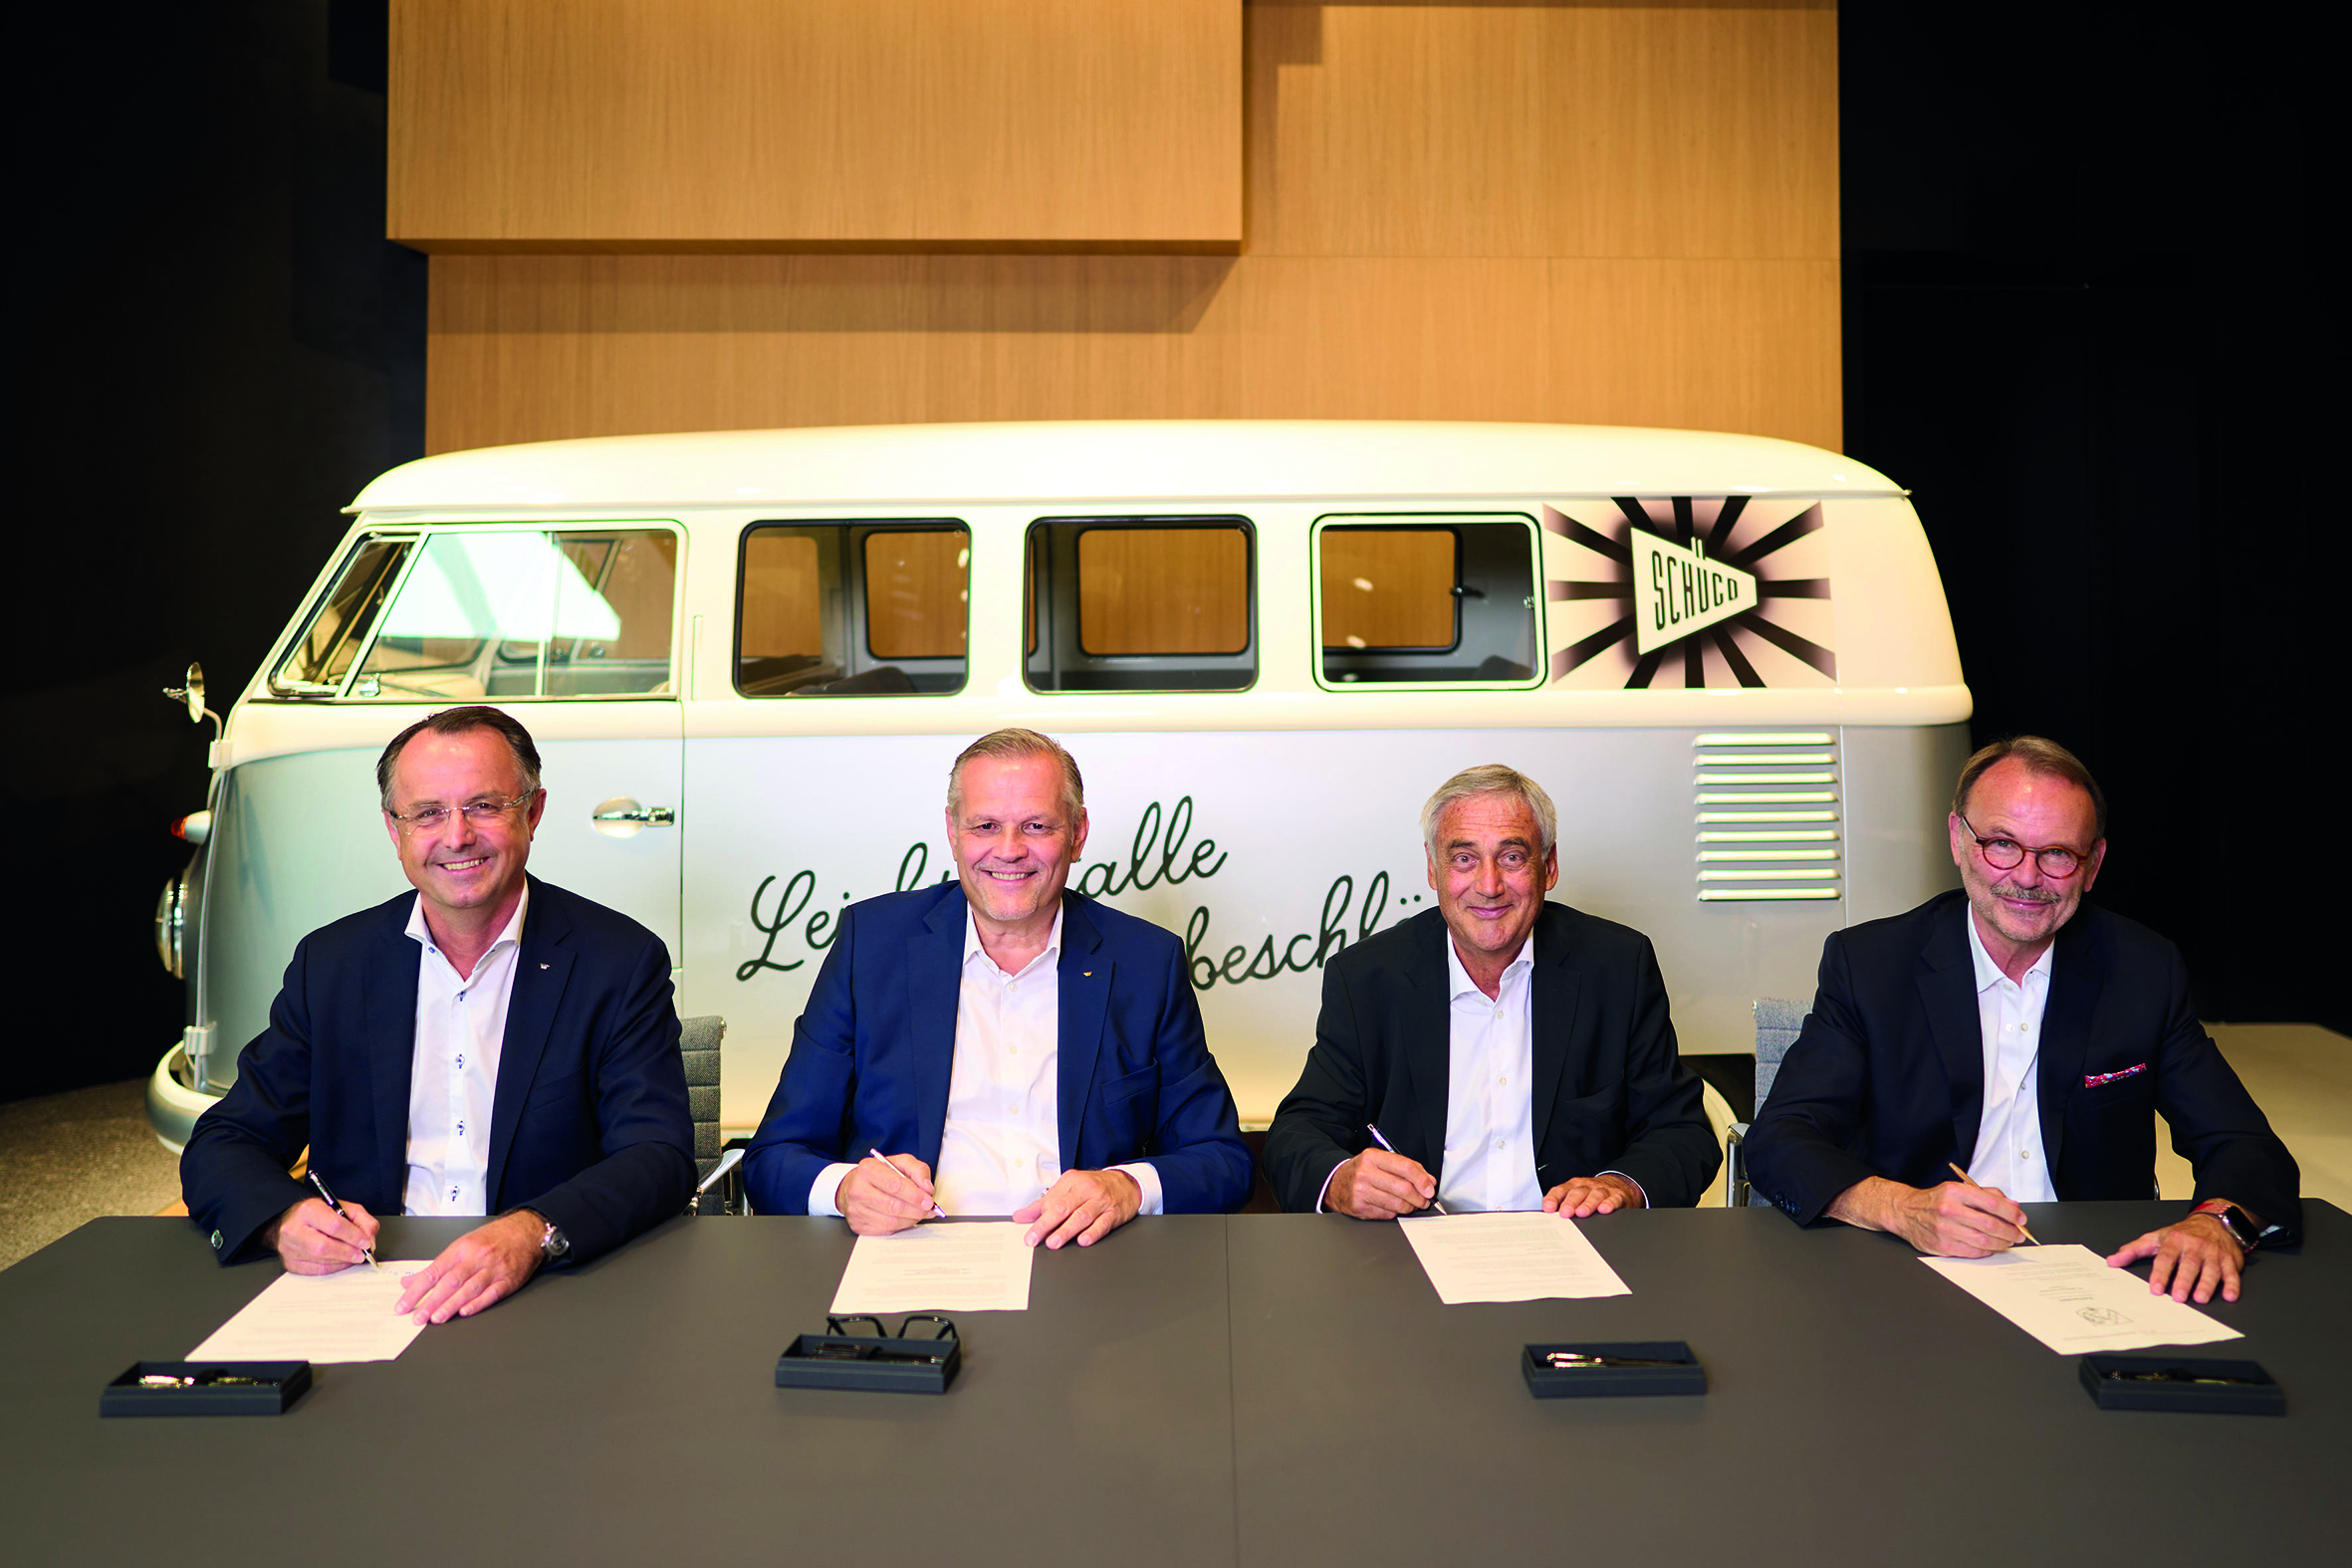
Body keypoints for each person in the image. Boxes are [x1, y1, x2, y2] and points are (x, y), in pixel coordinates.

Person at [181, 706, 694, 1323]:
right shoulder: (332, 964)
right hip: (367, 1290)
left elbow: (658, 1154)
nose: (456, 836)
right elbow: (227, 1140)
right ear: (393, 829)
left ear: (533, 812)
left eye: (484, 805)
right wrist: (281, 1220)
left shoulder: (619, 961)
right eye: (427, 813)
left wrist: (534, 1230)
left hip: (547, 1289)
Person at [1745, 736, 2299, 1303]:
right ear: (1958, 839)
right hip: (1907, 1272)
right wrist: (1901, 1208)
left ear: (2093, 865)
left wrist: (2216, 1223)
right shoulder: (1870, 965)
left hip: (2096, 1276)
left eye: (2057, 853)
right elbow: (1779, 1139)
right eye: (2003, 844)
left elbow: (2245, 1145)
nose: (2028, 877)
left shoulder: (2143, 970)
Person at [743, 729, 1252, 1242]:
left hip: (1084, 1259)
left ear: (1077, 834)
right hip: (907, 1258)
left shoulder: (1147, 961)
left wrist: (1127, 1188)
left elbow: (1223, 1160)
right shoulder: (870, 947)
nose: (1009, 851)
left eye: (1036, 826)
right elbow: (773, 1158)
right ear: (953, 832)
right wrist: (845, 1191)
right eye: (985, 826)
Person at [1263, 765, 1721, 1218]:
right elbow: (1296, 1134)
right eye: (1464, 859)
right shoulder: (1366, 978)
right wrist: (1340, 1179)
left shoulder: (1618, 967)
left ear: (1549, 866)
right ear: (1433, 868)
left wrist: (1621, 1185)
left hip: (1574, 1240)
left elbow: (1682, 1133)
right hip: (1414, 1245)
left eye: (1512, 857)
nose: (1488, 885)